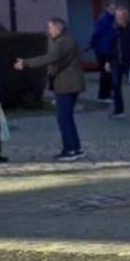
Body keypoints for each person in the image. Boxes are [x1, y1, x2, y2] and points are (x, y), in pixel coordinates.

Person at [14, 17, 86, 160]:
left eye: (50, 27)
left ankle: (70, 150)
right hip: (70, 83)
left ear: (58, 28)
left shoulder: (63, 42)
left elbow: (49, 58)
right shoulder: (67, 40)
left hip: (66, 84)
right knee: (68, 118)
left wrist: (26, 63)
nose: (49, 31)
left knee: (63, 118)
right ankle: (76, 148)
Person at [89, 4, 116, 103]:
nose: (113, 10)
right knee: (106, 73)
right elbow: (97, 33)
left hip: (106, 49)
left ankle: (106, 94)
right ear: (107, 8)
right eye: (111, 8)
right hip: (102, 50)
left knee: (107, 72)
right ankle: (103, 95)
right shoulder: (105, 19)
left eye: (114, 8)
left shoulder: (110, 19)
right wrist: (92, 43)